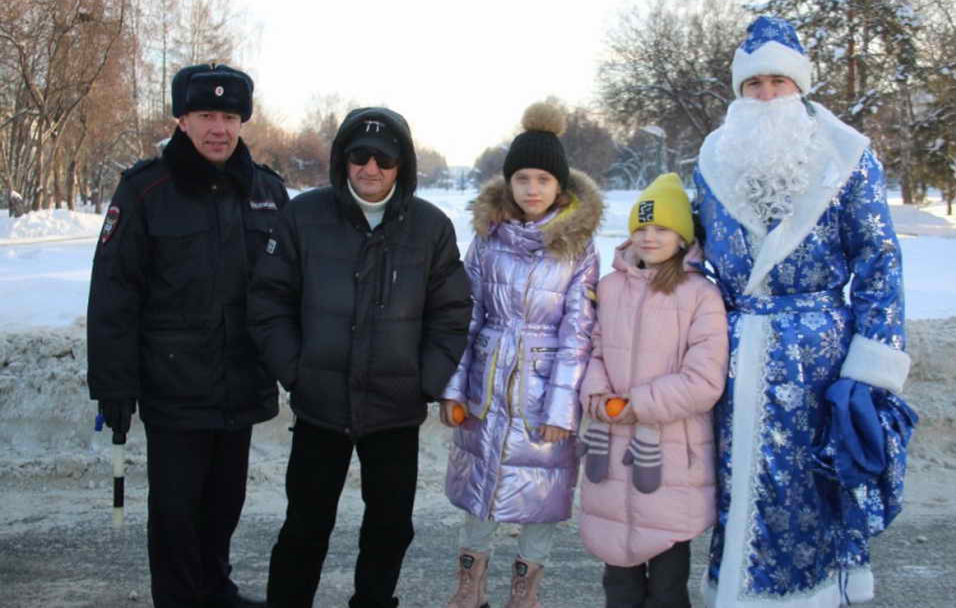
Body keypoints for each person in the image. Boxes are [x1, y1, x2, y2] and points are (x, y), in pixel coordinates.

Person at [692, 16, 916, 607]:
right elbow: (691, 248)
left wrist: (869, 370)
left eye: (778, 83)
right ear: (738, 92)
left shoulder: (846, 157)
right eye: (754, 84)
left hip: (820, 360)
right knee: (740, 488)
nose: (766, 96)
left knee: (809, 491)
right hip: (738, 357)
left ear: (801, 87)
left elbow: (879, 260)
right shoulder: (714, 158)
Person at [247, 106, 473, 608]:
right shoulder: (303, 217)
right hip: (320, 404)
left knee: (390, 528)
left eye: (384, 159)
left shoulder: (430, 228)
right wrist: (295, 371)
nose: (370, 169)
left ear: (402, 166)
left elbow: (452, 313)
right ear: (342, 159)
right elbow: (268, 302)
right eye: (359, 156)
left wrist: (425, 380)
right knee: (306, 525)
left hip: (394, 407)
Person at [87, 63, 288, 608]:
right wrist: (114, 382)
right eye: (205, 115)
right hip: (173, 381)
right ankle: (179, 598)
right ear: (182, 119)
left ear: (243, 121)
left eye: (229, 116)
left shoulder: (268, 192)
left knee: (226, 502)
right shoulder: (146, 189)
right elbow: (114, 291)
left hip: (242, 378)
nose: (218, 128)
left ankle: (214, 589)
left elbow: (291, 288)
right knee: (176, 510)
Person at [439, 101, 603, 608]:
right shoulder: (488, 241)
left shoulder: (579, 249)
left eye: (543, 180)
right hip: (486, 384)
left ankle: (524, 593)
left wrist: (561, 410)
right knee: (479, 487)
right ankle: (470, 587)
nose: (532, 189)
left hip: (543, 388)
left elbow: (578, 333)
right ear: (508, 183)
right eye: (523, 178)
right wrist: (453, 387)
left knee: (542, 496)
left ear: (560, 187)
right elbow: (464, 317)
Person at [577, 172, 728, 608]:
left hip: (667, 459)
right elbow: (594, 352)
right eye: (641, 227)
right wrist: (597, 394)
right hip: (611, 445)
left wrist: (636, 404)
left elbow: (703, 380)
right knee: (618, 580)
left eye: (661, 228)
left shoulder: (701, 296)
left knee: (666, 584)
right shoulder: (608, 288)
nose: (649, 237)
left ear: (682, 237)